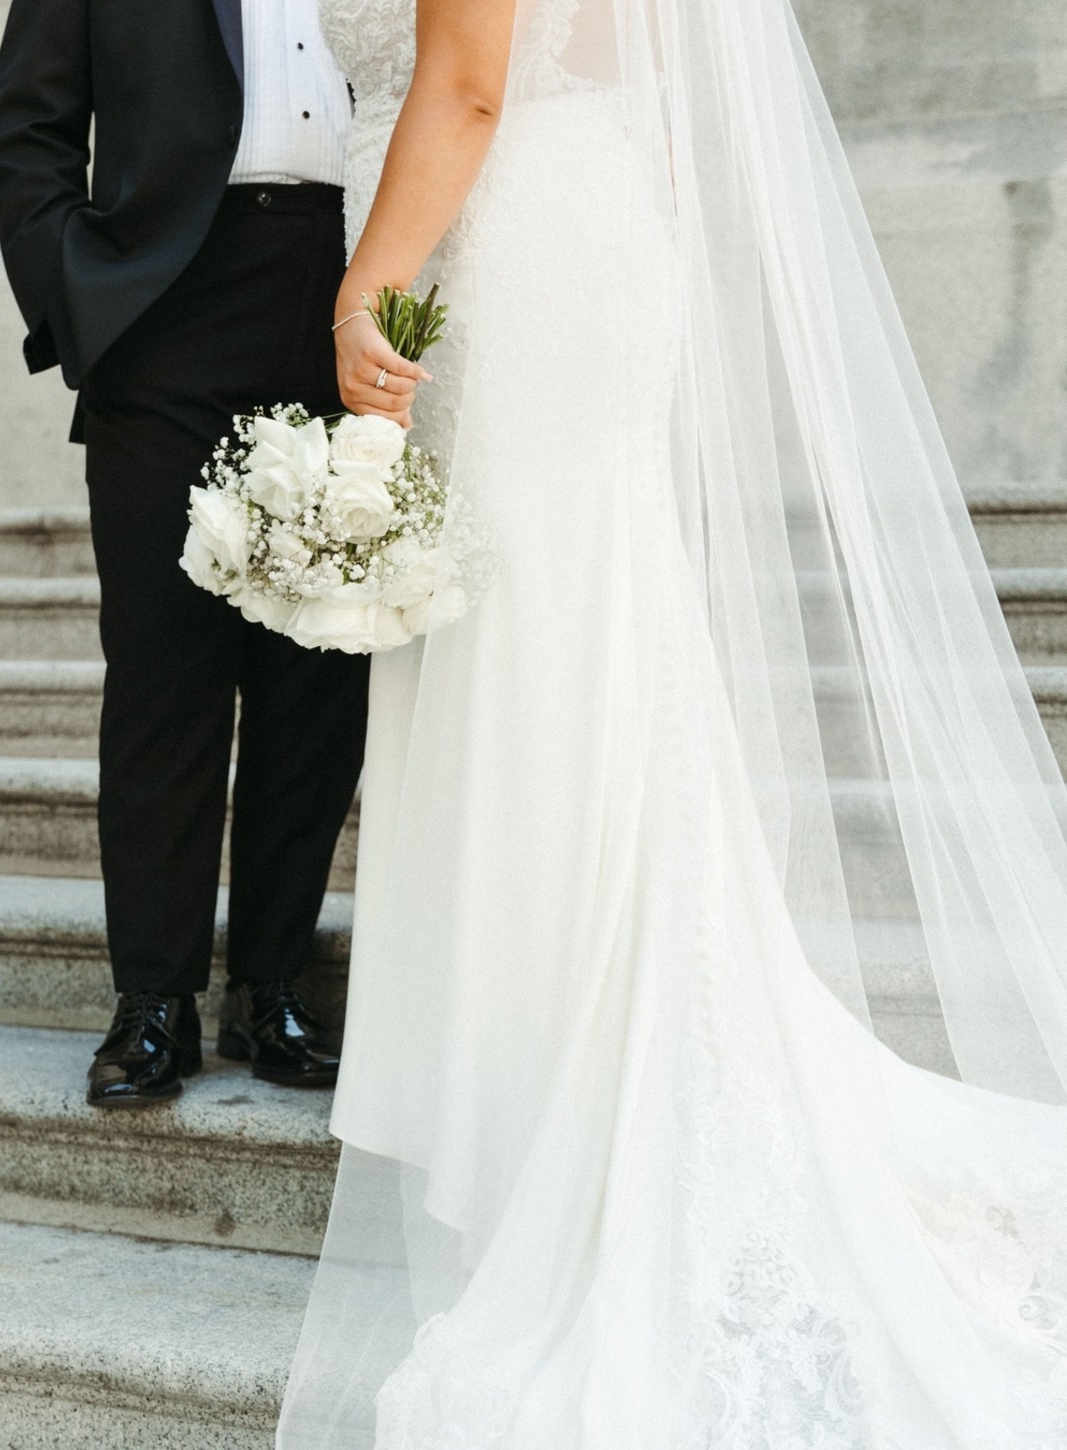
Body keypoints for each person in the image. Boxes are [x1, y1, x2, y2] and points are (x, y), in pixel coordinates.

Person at [278, 0, 1067, 1445]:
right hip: (587, 216)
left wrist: (366, 296)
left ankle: (569, 1104)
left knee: (538, 658)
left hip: (507, 228)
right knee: (587, 643)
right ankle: (571, 1076)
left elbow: (462, 84)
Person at [0, 0, 403, 1107]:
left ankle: (271, 984)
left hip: (350, 288)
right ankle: (153, 997)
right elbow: (26, 128)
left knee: (321, 662)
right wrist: (81, 296)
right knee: (165, 665)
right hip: (164, 300)